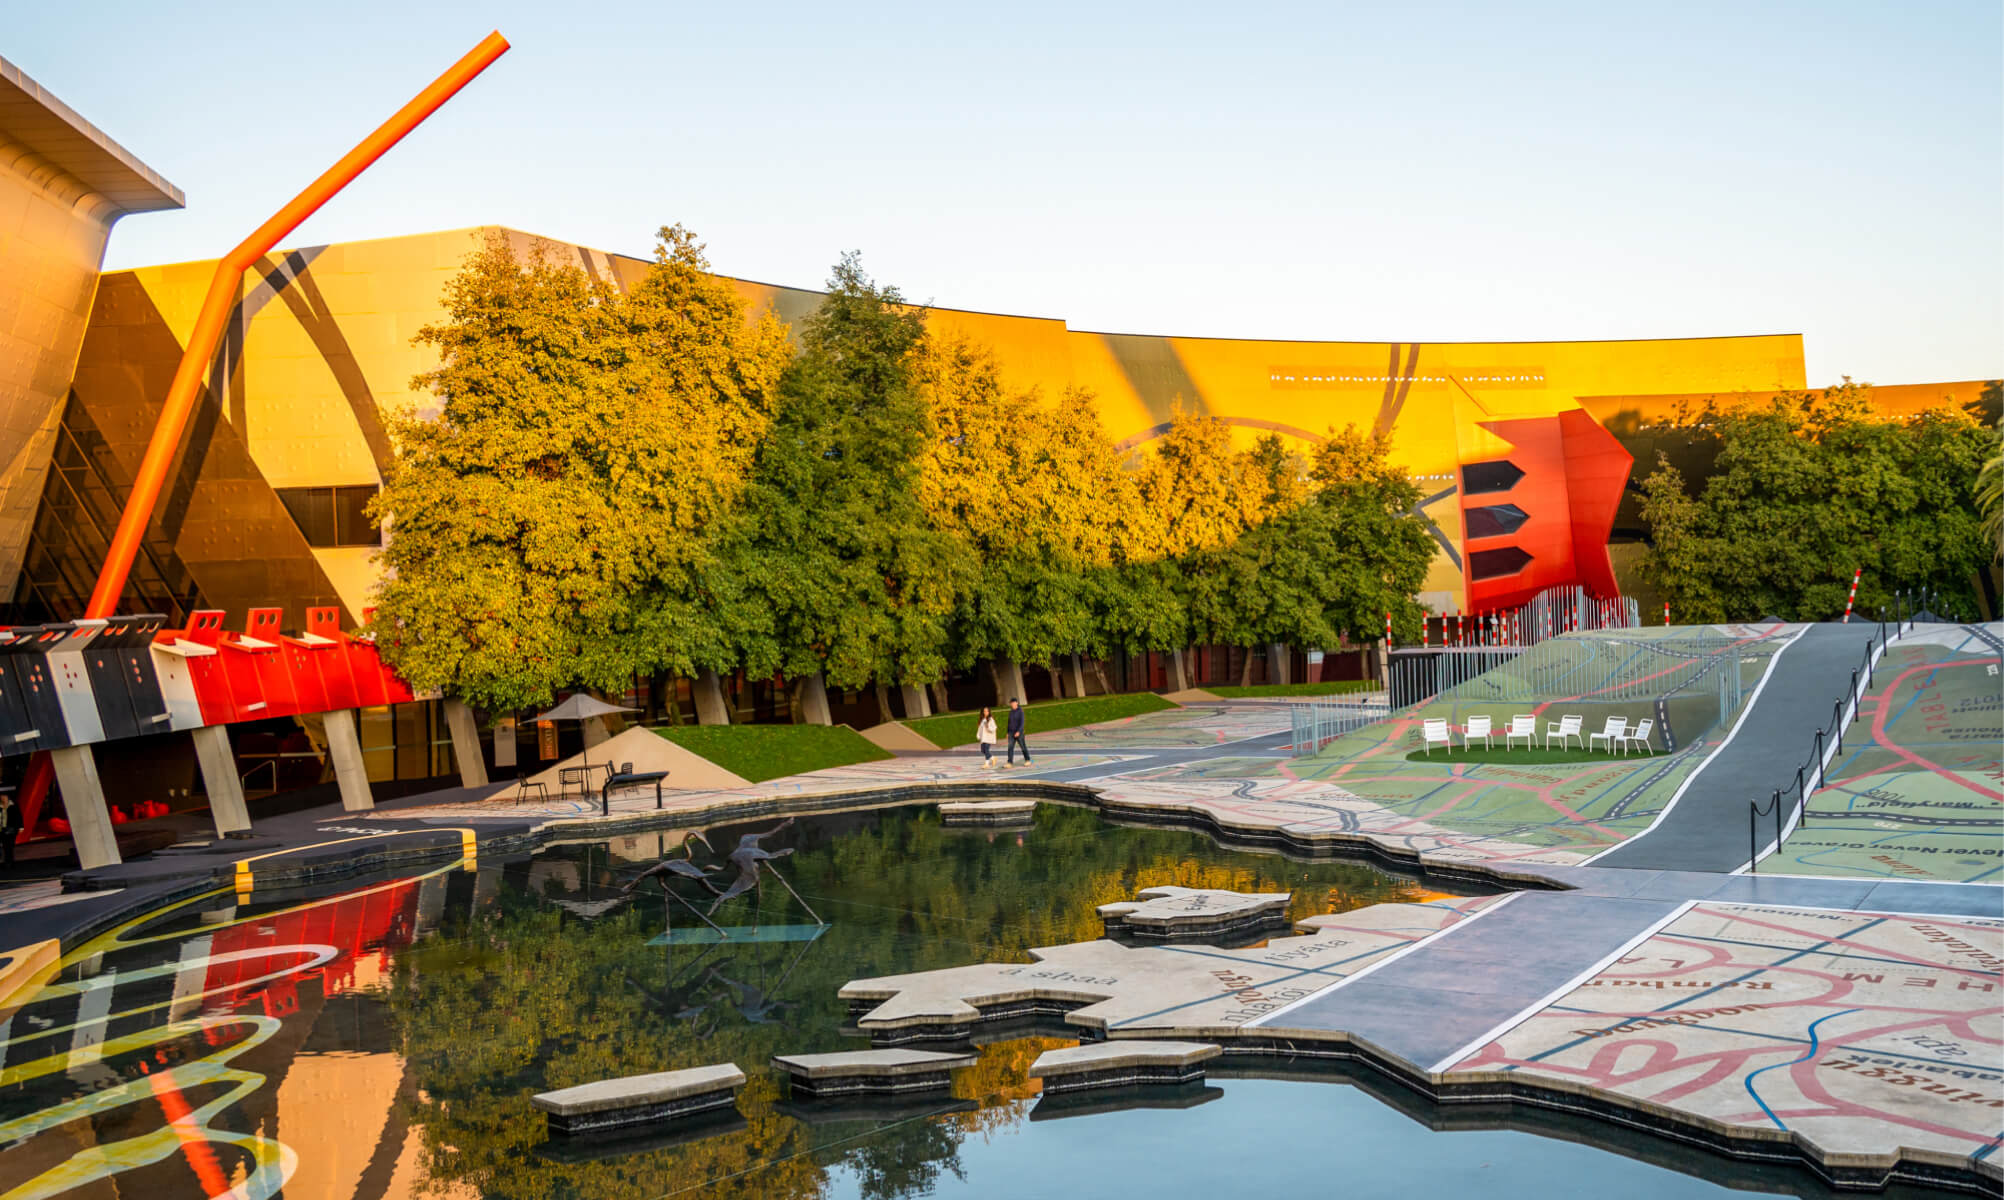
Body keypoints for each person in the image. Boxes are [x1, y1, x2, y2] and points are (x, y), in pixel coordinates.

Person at [1005, 698, 1032, 767]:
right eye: (1011, 703)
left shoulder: (1020, 711)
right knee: (1010, 747)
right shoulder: (1011, 712)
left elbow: (1022, 723)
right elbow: (1009, 723)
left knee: (1023, 746)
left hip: (1019, 733)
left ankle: (1027, 760)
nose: (1012, 704)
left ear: (1017, 703)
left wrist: (1019, 731)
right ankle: (1009, 762)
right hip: (1011, 733)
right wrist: (1007, 732)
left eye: (1014, 703)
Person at [0, 789, 19, 869]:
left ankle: (9, 863)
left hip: (10, 830)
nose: (2, 798)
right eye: (1, 797)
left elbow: (18, 818)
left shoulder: (13, 806)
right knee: (5, 847)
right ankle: (6, 862)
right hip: (2, 829)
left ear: (8, 798)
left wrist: (18, 828)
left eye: (4, 797)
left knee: (9, 847)